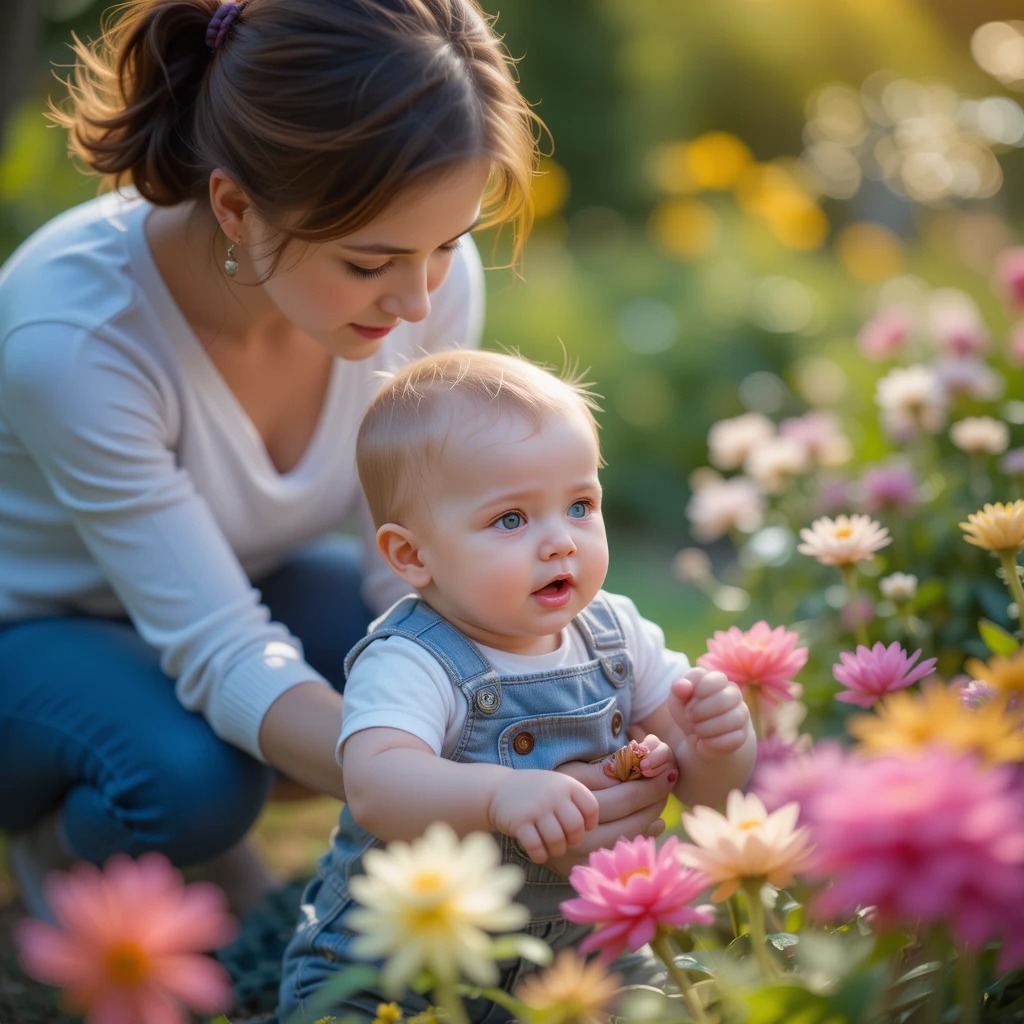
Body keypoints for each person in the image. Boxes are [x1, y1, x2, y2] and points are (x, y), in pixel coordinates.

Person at [0, 0, 673, 921]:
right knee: (192, 779)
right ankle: (74, 853)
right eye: (369, 263)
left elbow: (412, 578)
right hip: (29, 631)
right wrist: (474, 787)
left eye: (449, 244)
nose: (415, 298)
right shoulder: (74, 340)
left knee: (471, 644)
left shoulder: (425, 283)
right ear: (235, 206)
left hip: (249, 579)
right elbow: (223, 649)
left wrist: (552, 731)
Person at [278, 349, 756, 1022]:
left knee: (668, 1006)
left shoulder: (617, 634)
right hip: (396, 965)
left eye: (581, 505)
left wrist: (717, 743)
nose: (561, 541)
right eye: (512, 519)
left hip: (577, 958)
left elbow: (707, 796)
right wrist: (501, 793)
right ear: (412, 556)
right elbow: (377, 785)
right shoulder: (412, 657)